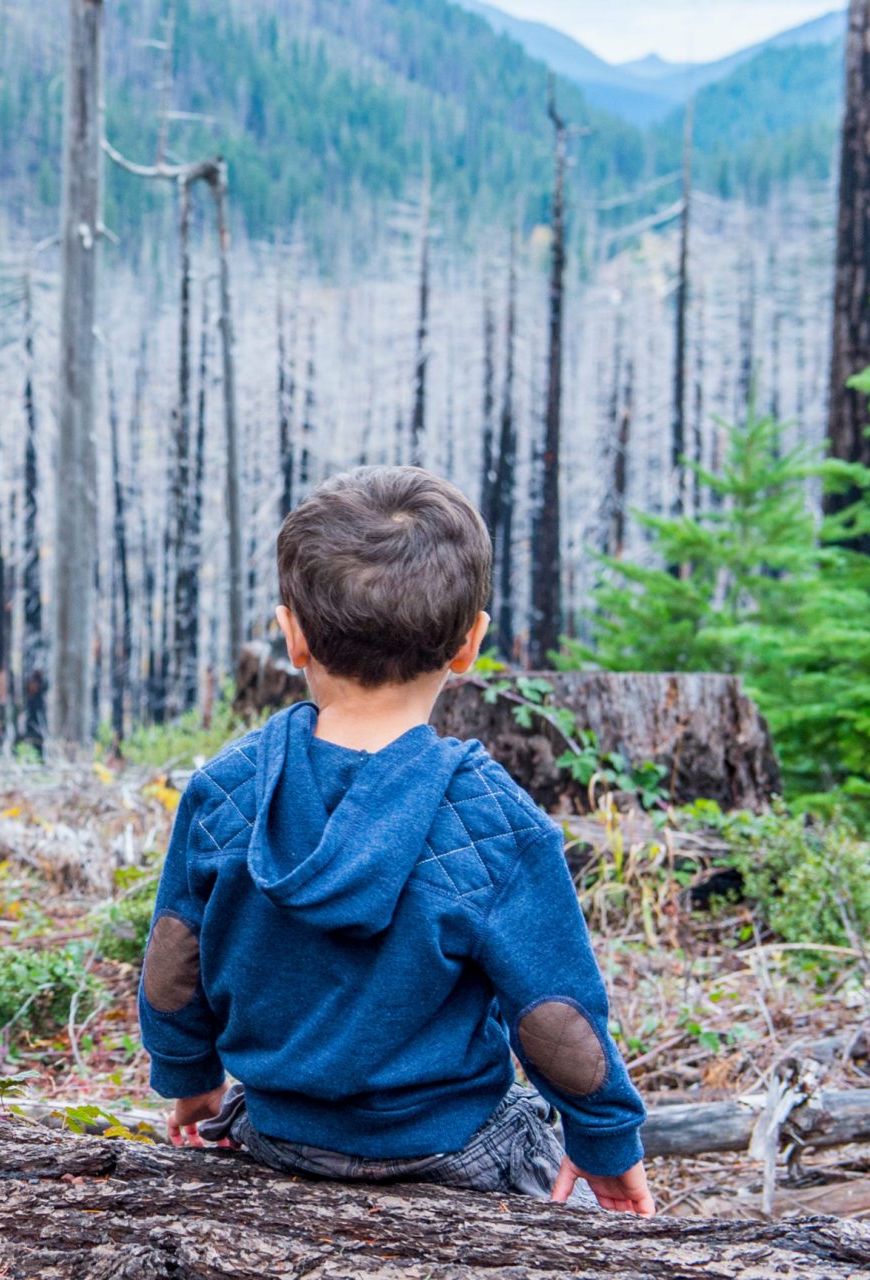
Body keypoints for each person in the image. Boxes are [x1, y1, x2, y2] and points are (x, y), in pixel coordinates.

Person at [139, 466, 654, 1213]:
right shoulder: (498, 824)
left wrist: (191, 1086)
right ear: (470, 644)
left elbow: (172, 960)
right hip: (457, 1146)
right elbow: (554, 1015)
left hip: (278, 1137)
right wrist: (605, 1145)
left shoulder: (223, 791)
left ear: (294, 637)